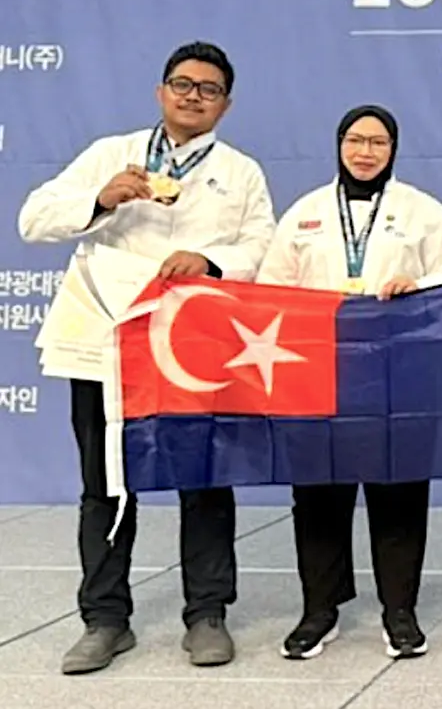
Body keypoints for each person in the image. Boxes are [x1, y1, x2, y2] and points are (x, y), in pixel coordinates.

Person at [18, 41, 275, 674]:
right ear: (161, 92)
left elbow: (261, 245)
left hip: (192, 347)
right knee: (105, 482)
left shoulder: (240, 171)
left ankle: (207, 613)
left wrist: (210, 260)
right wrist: (103, 200)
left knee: (204, 479)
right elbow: (34, 219)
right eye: (182, 84)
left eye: (209, 89)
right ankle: (105, 619)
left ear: (226, 105)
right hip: (105, 342)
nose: (193, 96)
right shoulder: (112, 154)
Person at [256, 104, 442, 661]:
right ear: (339, 145)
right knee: (317, 497)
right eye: (355, 140)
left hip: (397, 375)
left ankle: (400, 612)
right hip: (317, 374)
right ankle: (319, 610)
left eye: (378, 142)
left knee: (398, 494)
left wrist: (418, 283)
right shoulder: (305, 213)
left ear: (393, 150)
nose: (365, 152)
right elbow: (270, 286)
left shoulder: (422, 211)